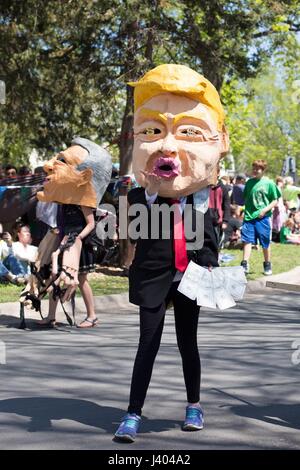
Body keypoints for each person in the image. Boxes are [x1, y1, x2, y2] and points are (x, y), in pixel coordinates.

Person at [114, 64, 229, 442]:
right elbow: (130, 232)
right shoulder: (137, 198)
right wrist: (144, 197)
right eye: (152, 131)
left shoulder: (202, 198)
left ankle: (194, 405)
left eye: (187, 131)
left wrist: (212, 268)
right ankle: (132, 414)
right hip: (153, 276)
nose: (167, 147)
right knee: (147, 344)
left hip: (189, 277)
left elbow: (208, 239)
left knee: (187, 344)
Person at [32, 137, 112, 328]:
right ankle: (51, 316)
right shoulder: (64, 199)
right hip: (64, 241)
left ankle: (92, 315)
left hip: (78, 244)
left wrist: (78, 239)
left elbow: (90, 224)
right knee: (55, 275)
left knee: (82, 279)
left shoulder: (82, 200)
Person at [240, 160, 281, 276]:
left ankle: (267, 264)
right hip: (249, 217)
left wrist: (264, 210)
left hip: (263, 218)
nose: (255, 170)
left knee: (265, 242)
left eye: (257, 169)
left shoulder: (269, 183)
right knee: (247, 240)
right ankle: (244, 264)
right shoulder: (249, 183)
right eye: (253, 168)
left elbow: (275, 201)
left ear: (263, 170)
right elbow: (246, 199)